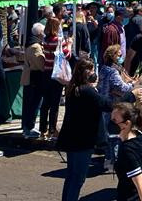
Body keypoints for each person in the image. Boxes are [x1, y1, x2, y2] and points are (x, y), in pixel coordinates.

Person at [58, 59, 103, 201]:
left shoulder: (73, 87)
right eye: (90, 70)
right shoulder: (87, 91)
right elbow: (106, 104)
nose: (93, 73)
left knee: (71, 176)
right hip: (83, 141)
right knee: (78, 178)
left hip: (72, 138)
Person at [97, 44, 133, 172]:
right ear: (113, 56)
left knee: (109, 135)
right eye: (119, 55)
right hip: (112, 106)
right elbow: (121, 88)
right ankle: (113, 162)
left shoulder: (103, 68)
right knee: (115, 135)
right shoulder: (113, 71)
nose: (121, 57)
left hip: (104, 104)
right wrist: (133, 84)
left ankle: (108, 161)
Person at [111, 100, 142, 201]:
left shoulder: (128, 150)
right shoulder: (140, 136)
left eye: (114, 121)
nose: (111, 123)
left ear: (127, 124)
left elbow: (140, 184)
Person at [41, 17, 68, 142]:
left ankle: (42, 129)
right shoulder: (59, 41)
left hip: (46, 72)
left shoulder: (45, 40)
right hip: (56, 74)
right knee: (55, 103)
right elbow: (67, 54)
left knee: (45, 102)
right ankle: (52, 129)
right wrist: (70, 43)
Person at [20, 22, 47, 139]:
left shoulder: (30, 44)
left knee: (29, 104)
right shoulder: (36, 47)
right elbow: (40, 64)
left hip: (30, 77)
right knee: (34, 104)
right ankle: (29, 127)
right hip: (34, 78)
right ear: (40, 33)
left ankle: (27, 126)